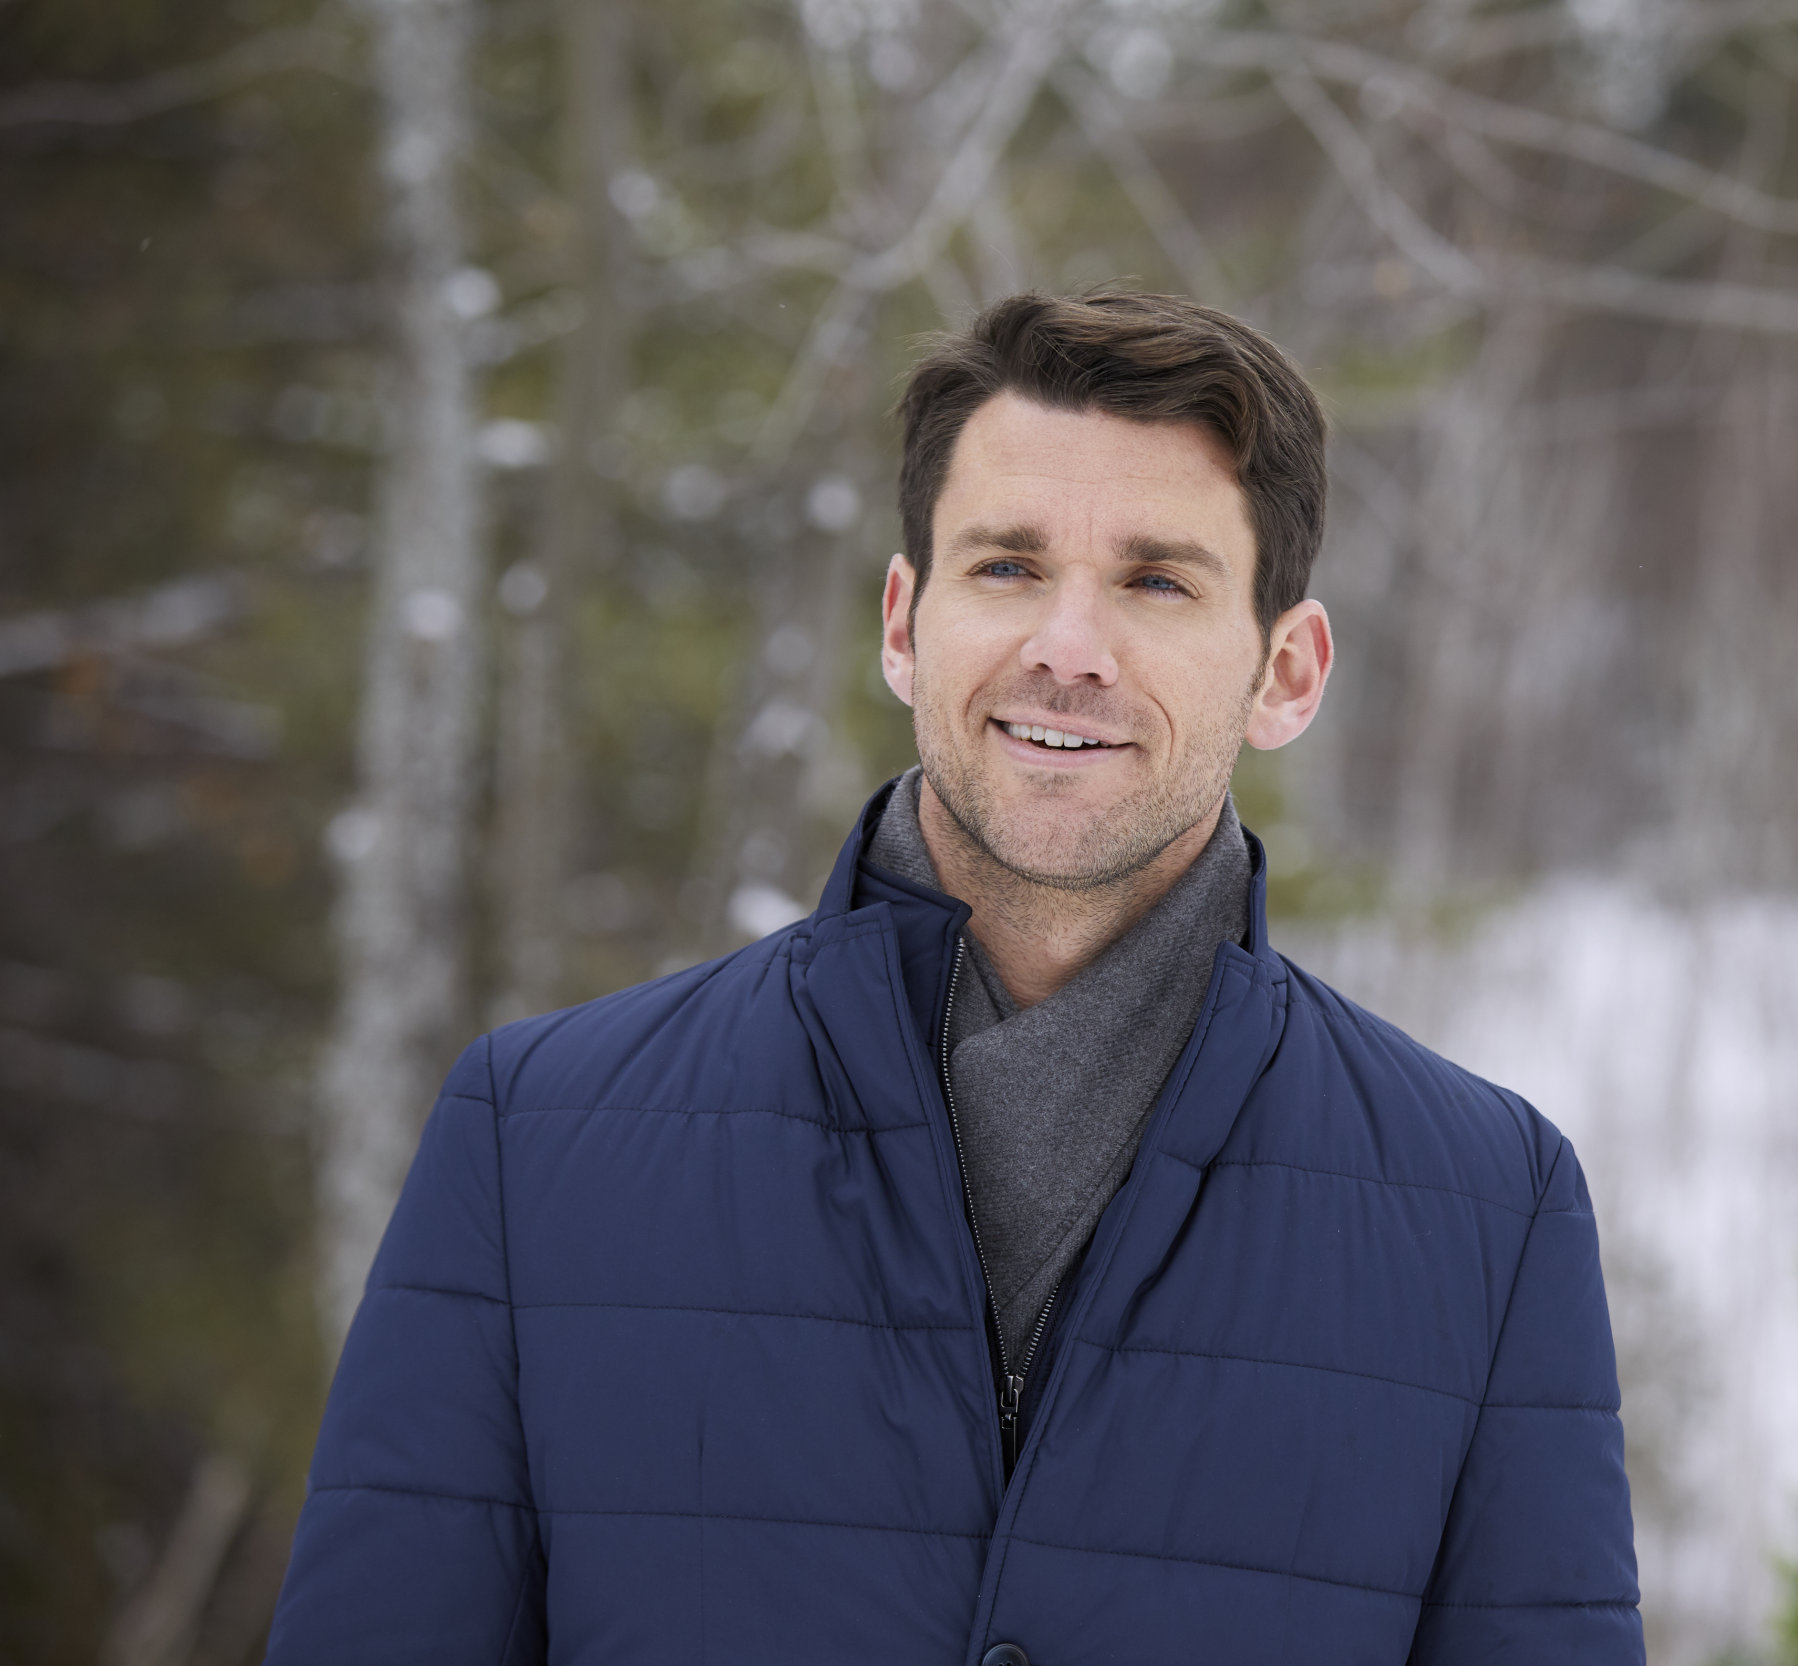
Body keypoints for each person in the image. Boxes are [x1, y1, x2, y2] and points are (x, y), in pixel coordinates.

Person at [266, 291, 1641, 1664]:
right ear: (902, 623)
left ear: (1286, 672)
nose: (1068, 649)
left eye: (1157, 582)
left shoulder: (1489, 1213)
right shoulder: (536, 1138)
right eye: (1007, 566)